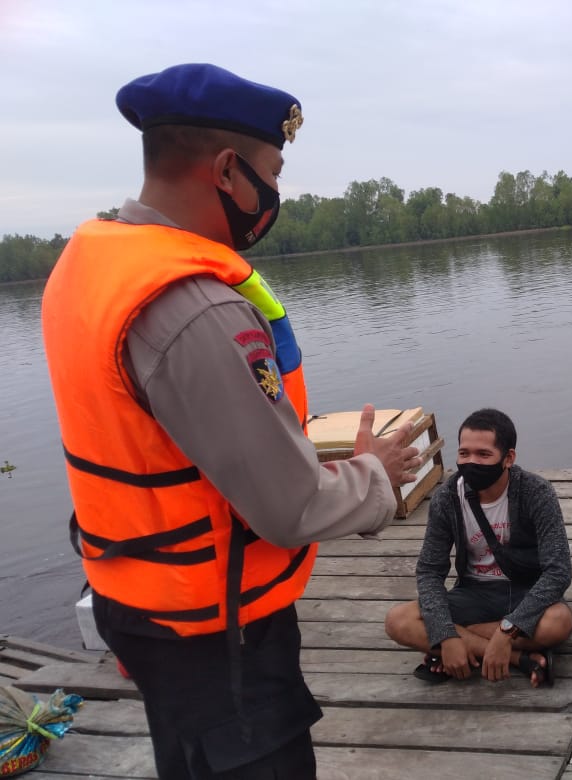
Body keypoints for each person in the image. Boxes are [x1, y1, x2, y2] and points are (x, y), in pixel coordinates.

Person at [40, 63, 422, 779]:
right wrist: (378, 475)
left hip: (138, 600)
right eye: (271, 171)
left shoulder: (89, 264)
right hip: (216, 634)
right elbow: (290, 505)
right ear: (226, 170)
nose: (275, 194)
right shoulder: (195, 306)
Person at [384, 408, 572, 687]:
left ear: (508, 458)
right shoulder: (447, 498)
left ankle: (468, 645)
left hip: (526, 590)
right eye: (464, 454)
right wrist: (447, 636)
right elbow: (429, 571)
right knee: (398, 621)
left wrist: (506, 630)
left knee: (558, 622)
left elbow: (558, 572)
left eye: (483, 455)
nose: (471, 462)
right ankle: (519, 658)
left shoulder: (536, 492)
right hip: (474, 593)